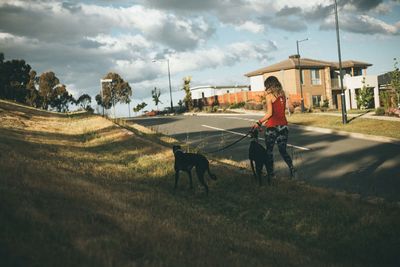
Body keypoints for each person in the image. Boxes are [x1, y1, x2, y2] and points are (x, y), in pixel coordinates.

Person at [254, 76, 295, 180]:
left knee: (269, 151)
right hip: (284, 126)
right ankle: (292, 169)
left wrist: (259, 122)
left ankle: (271, 174)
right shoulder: (284, 94)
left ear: (269, 85)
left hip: (272, 127)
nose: (266, 88)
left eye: (266, 86)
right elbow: (292, 109)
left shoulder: (269, 96)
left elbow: (269, 113)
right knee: (283, 150)